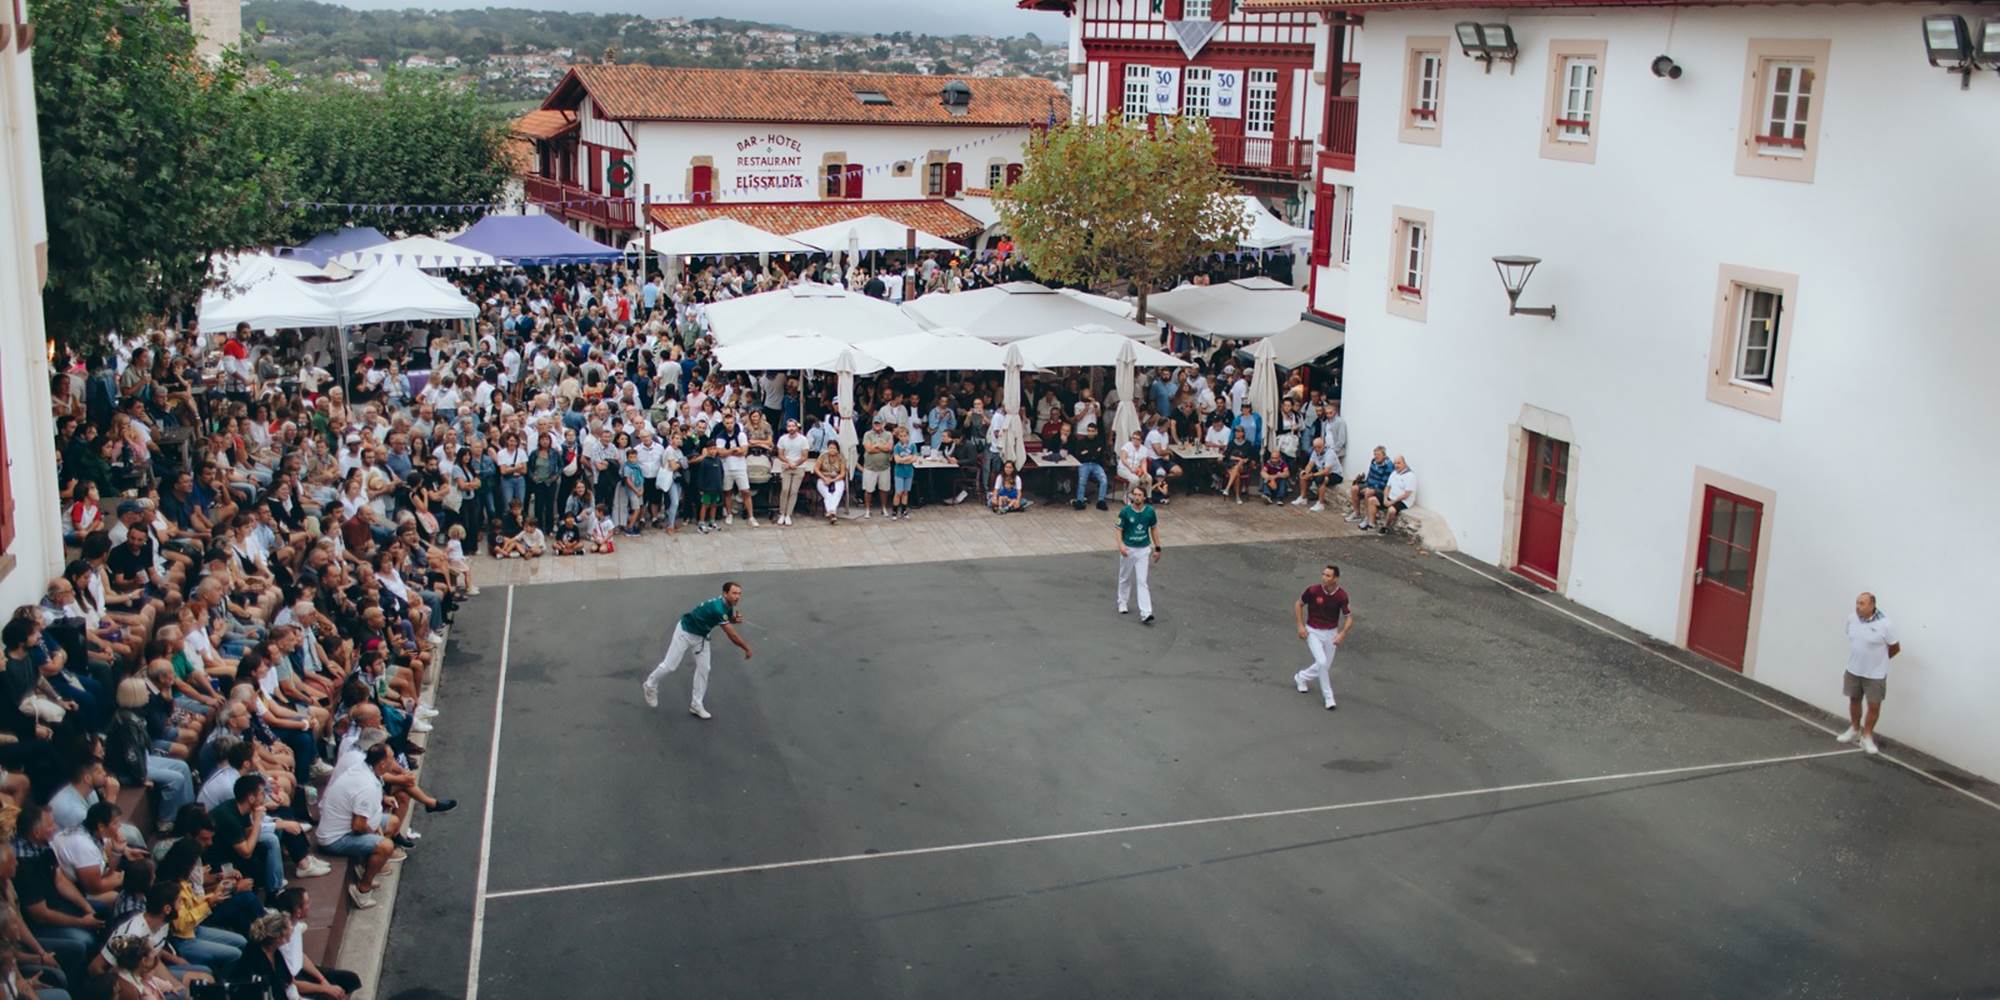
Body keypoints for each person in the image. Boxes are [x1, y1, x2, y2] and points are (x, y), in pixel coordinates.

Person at [641, 582, 753, 721]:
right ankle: (650, 684)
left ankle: (696, 704)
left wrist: (733, 620)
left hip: (701, 636)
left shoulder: (728, 605)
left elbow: (726, 619)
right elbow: (732, 635)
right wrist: (746, 648)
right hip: (685, 632)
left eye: (739, 593)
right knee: (670, 666)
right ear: (725, 594)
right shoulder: (718, 608)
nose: (737, 597)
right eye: (734, 593)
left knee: (704, 668)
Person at [1837, 592, 1900, 757]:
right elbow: (1855, 640)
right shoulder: (1852, 619)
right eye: (1857, 603)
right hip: (1853, 670)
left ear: (1872, 605)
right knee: (1854, 699)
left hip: (1875, 675)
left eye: (1862, 603)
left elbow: (1895, 648)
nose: (1858, 606)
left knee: (1874, 706)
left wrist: (1878, 662)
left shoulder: (1885, 624)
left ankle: (1867, 736)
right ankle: (1855, 729)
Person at [1292, 565, 1354, 710]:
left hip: (1331, 633)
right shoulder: (1313, 590)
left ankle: (1301, 677)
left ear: (1336, 578)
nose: (1324, 578)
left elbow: (1349, 618)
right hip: (1313, 631)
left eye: (1328, 576)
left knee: (1324, 665)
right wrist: (1300, 626)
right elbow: (1298, 604)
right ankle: (1329, 697)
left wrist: (1342, 634)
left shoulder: (1342, 596)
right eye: (1323, 574)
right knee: (1321, 661)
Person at [1114, 485, 1160, 625]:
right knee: (1125, 577)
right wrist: (1121, 545)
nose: (1137, 497)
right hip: (1128, 549)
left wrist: (1158, 548)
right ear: (1132, 496)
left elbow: (1154, 529)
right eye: (1135, 494)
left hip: (1143, 550)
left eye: (1140, 495)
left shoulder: (1150, 512)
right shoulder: (1125, 511)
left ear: (1144, 497)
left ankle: (1146, 613)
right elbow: (1118, 530)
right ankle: (1122, 602)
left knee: (1142, 581)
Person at [1364, 455, 1417, 535]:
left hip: (1403, 501)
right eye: (1395, 463)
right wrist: (1385, 498)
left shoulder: (1410, 476)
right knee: (1372, 500)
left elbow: (1406, 494)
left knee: (1391, 510)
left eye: (1399, 463)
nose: (1396, 465)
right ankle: (1371, 524)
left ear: (1404, 463)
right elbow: (1387, 487)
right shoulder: (1394, 473)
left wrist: (1392, 502)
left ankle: (1385, 527)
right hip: (1390, 497)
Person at [774, 419, 810, 527]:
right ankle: (782, 513)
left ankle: (788, 514)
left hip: (799, 467)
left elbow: (804, 456)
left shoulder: (803, 439)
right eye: (789, 426)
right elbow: (780, 454)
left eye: (793, 426)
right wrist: (789, 462)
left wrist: (795, 464)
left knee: (794, 491)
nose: (791, 428)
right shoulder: (782, 439)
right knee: (785, 490)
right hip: (786, 466)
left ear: (797, 427)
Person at [1348, 447, 1394, 528]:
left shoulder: (1389, 466)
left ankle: (1367, 517)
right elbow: (1370, 476)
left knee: (1368, 492)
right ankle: (1356, 514)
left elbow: (1384, 483)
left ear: (1384, 455)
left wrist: (1370, 488)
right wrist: (1366, 484)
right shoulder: (1374, 461)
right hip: (1370, 484)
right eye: (1375, 454)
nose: (1376, 456)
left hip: (1381, 489)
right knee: (1354, 488)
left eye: (1378, 455)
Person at [860, 417, 895, 520]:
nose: (877, 425)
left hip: (884, 467)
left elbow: (889, 448)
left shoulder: (888, 434)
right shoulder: (867, 434)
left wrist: (876, 446)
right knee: (868, 489)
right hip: (870, 467)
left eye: (879, 423)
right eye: (875, 423)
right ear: (872, 424)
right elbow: (869, 449)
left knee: (884, 489)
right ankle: (867, 510)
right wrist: (882, 447)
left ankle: (883, 508)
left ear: (883, 424)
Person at [1294, 436, 1342, 511]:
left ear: (1323, 446)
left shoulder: (1330, 453)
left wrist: (1312, 475)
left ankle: (1321, 503)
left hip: (1335, 474)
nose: (1317, 449)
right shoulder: (1314, 452)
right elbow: (1310, 465)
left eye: (1319, 447)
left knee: (1322, 479)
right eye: (1315, 447)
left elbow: (1326, 471)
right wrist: (1306, 472)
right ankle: (1303, 498)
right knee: (1303, 475)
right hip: (1321, 471)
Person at [1071, 424, 1110, 511]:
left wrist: (1087, 452)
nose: (1090, 433)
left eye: (1092, 431)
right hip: (1084, 464)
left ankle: (1101, 501)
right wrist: (1093, 453)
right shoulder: (1081, 442)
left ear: (1096, 432)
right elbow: (1078, 455)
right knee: (1082, 481)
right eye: (1088, 430)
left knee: (1104, 480)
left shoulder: (1100, 442)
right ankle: (1080, 501)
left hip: (1096, 464)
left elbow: (1100, 456)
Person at [889, 427, 918, 521]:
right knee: (898, 492)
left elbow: (915, 458)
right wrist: (907, 458)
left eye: (905, 436)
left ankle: (904, 511)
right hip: (899, 472)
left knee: (906, 492)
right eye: (901, 436)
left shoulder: (912, 446)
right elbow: (897, 460)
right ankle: (894, 511)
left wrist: (905, 460)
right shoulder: (897, 447)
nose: (903, 438)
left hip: (909, 472)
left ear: (908, 436)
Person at [813, 446, 847, 526]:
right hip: (823, 478)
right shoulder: (823, 456)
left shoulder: (841, 457)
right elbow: (816, 469)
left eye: (834, 448)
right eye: (830, 448)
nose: (832, 450)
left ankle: (831, 512)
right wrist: (824, 478)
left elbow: (842, 474)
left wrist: (832, 480)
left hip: (837, 478)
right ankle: (833, 513)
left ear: (837, 450)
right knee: (827, 495)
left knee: (837, 493)